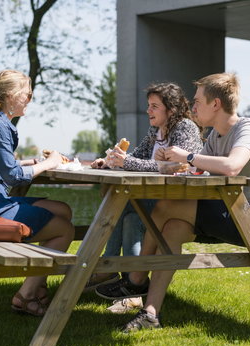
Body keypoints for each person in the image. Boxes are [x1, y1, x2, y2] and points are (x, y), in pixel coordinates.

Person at [96, 72, 250, 331]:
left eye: (197, 101)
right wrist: (173, 162)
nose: (192, 106)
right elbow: (197, 170)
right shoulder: (216, 137)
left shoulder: (248, 128)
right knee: (172, 227)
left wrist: (189, 156)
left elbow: (231, 166)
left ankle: (136, 279)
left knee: (164, 207)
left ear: (215, 104)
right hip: (228, 213)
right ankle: (150, 313)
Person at [0, 69, 74, 317]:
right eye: (27, 94)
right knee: (65, 229)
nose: (30, 99)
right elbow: (13, 177)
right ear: (11, 95)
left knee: (63, 210)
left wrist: (30, 162)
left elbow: (0, 165)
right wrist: (49, 163)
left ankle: (38, 286)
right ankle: (26, 295)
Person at [85, 82, 203, 312]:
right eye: (149, 105)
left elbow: (173, 166)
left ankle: (111, 271)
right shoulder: (155, 130)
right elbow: (137, 158)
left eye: (154, 106)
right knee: (129, 216)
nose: (148, 111)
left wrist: (126, 162)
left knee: (124, 206)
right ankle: (129, 282)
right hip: (152, 196)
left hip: (176, 202)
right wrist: (110, 161)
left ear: (171, 109)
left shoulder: (185, 127)